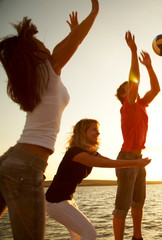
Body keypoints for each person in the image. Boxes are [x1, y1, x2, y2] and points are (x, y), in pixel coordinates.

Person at [0, 1, 98, 239]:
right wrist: (94, 10)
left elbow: (64, 44)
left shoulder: (36, 78)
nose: (46, 45)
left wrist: (73, 30)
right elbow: (73, 44)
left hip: (10, 160)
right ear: (37, 53)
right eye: (41, 43)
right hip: (26, 167)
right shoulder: (48, 69)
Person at [45, 119, 151, 240]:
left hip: (66, 200)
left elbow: (109, 161)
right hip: (55, 202)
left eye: (98, 130)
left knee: (78, 236)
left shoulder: (89, 152)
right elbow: (104, 164)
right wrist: (136, 163)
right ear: (83, 132)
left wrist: (136, 162)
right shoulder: (76, 153)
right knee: (89, 233)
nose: (98, 133)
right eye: (94, 130)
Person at [113, 31, 160, 240]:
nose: (133, 88)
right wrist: (133, 51)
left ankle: (137, 237)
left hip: (139, 160)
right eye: (129, 88)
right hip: (126, 159)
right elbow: (135, 81)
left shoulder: (141, 104)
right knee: (122, 206)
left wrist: (150, 66)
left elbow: (156, 89)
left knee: (138, 202)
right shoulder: (128, 106)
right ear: (124, 95)